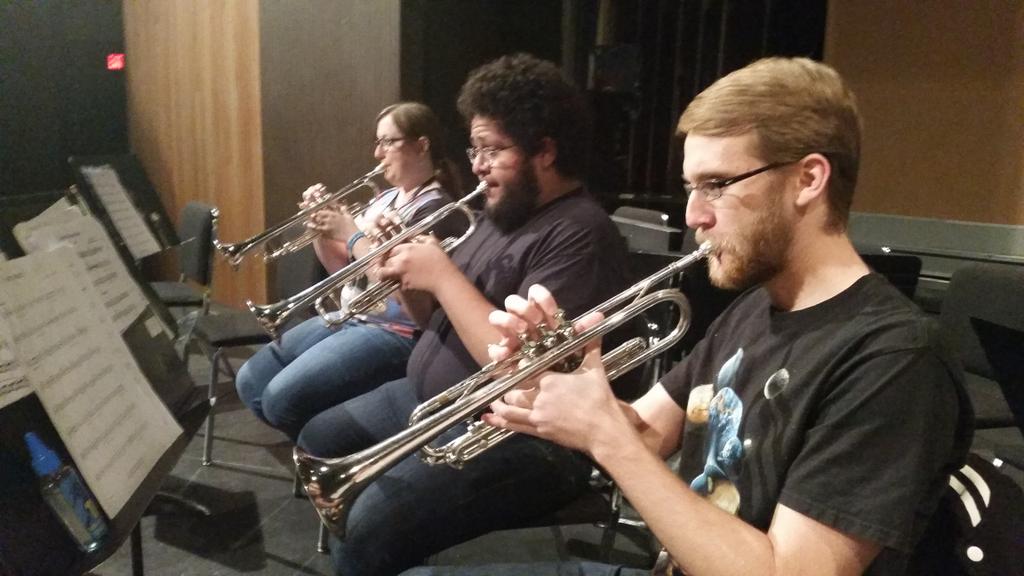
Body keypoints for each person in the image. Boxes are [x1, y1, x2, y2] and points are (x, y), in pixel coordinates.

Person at [404, 57, 974, 575]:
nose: (694, 216)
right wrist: (559, 388)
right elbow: (647, 433)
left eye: (716, 185)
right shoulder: (757, 306)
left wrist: (606, 436)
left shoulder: (893, 359)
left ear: (808, 179)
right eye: (689, 188)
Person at [295, 53, 634, 576]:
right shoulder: (499, 216)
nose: (476, 165)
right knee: (321, 436)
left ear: (545, 150)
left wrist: (442, 275)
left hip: (520, 436)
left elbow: (529, 378)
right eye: (475, 148)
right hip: (440, 397)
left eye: (493, 149)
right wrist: (403, 274)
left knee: (369, 529)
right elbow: (431, 316)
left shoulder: (580, 234)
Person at [235, 102, 466, 441]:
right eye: (377, 142)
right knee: (251, 380)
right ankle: (316, 444)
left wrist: (351, 233)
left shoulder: (438, 211)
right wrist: (322, 231)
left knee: (280, 401)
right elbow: (344, 272)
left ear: (421, 145)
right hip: (352, 314)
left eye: (388, 141)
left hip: (396, 332)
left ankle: (326, 446)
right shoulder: (384, 199)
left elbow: (404, 295)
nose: (377, 153)